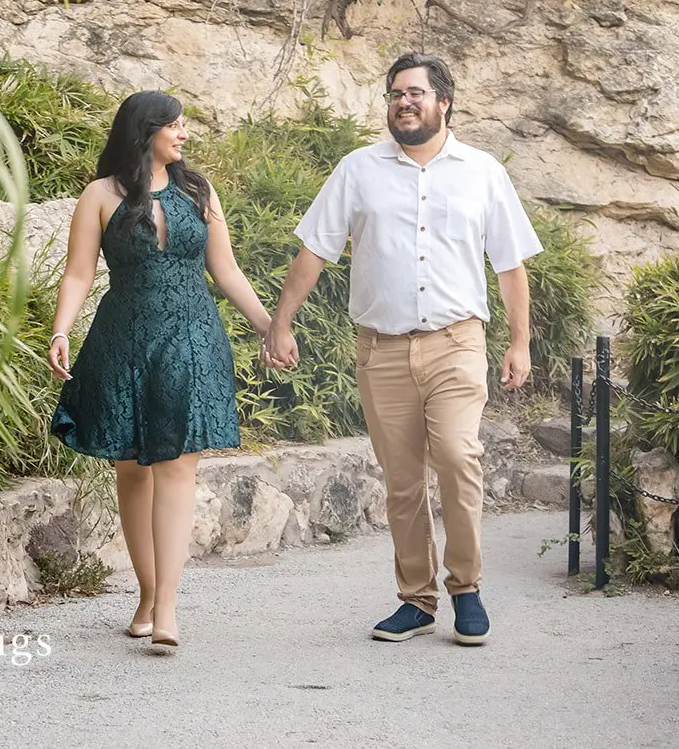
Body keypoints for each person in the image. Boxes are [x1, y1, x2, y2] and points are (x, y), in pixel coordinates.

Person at [261, 52, 541, 646]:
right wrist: (281, 323)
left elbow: (511, 264)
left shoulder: (483, 171)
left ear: (444, 102)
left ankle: (466, 587)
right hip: (381, 351)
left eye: (415, 92)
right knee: (403, 482)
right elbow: (315, 250)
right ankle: (416, 599)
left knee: (459, 457)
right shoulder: (358, 170)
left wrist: (520, 342)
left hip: (456, 343)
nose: (403, 102)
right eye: (394, 94)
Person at [47, 90, 271, 651]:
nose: (185, 134)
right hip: (122, 337)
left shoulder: (199, 190)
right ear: (145, 130)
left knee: (176, 468)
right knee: (131, 469)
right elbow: (78, 274)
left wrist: (271, 326)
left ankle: (166, 607)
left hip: (192, 338)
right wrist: (60, 329)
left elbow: (226, 269)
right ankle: (146, 594)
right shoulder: (100, 195)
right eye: (175, 125)